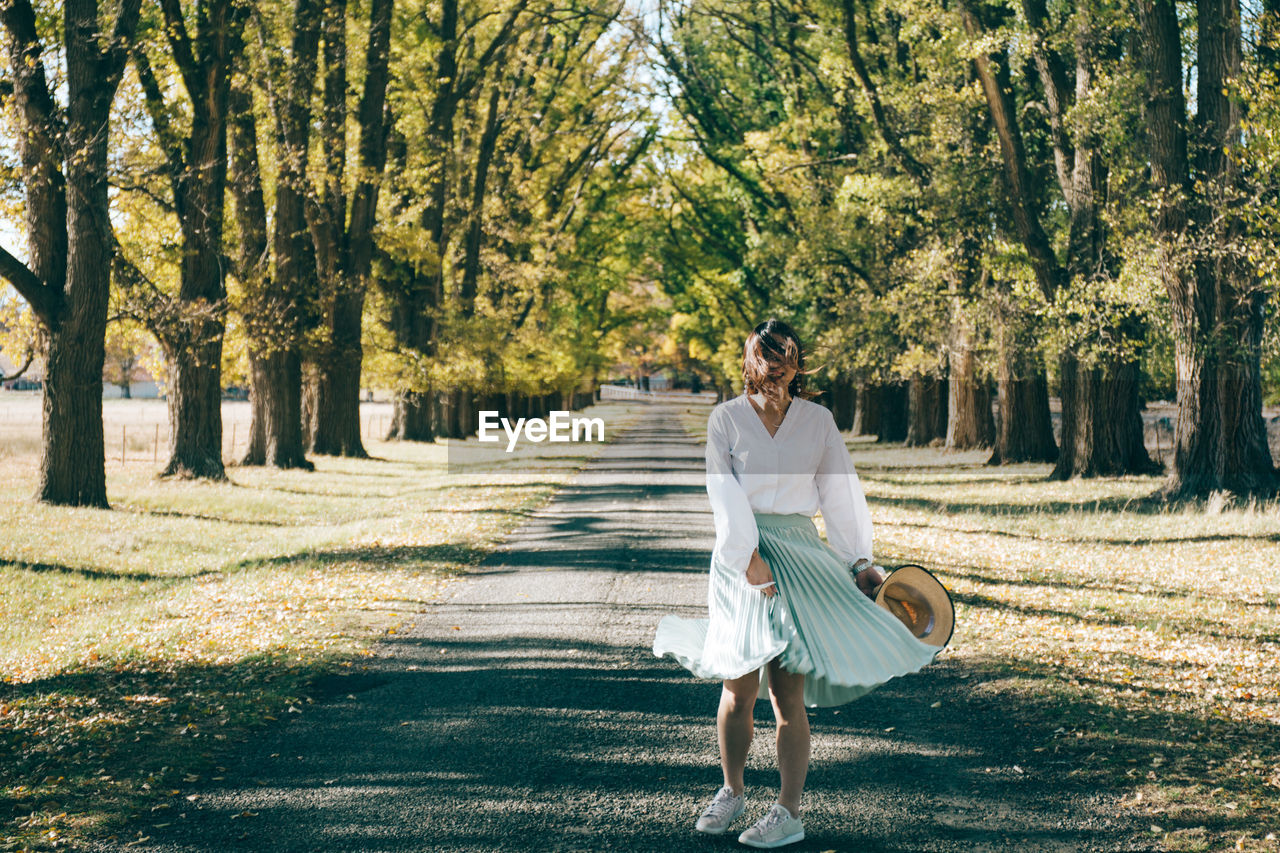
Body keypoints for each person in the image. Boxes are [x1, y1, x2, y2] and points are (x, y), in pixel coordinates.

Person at [652, 318, 941, 849]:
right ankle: (732, 790)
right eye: (768, 356)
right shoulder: (727, 419)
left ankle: (787, 810)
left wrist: (858, 561)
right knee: (738, 687)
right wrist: (748, 558)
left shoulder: (818, 421)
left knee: (788, 692)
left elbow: (839, 492)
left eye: (788, 357)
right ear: (751, 361)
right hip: (743, 557)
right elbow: (723, 493)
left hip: (801, 554)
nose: (778, 366)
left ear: (798, 364)